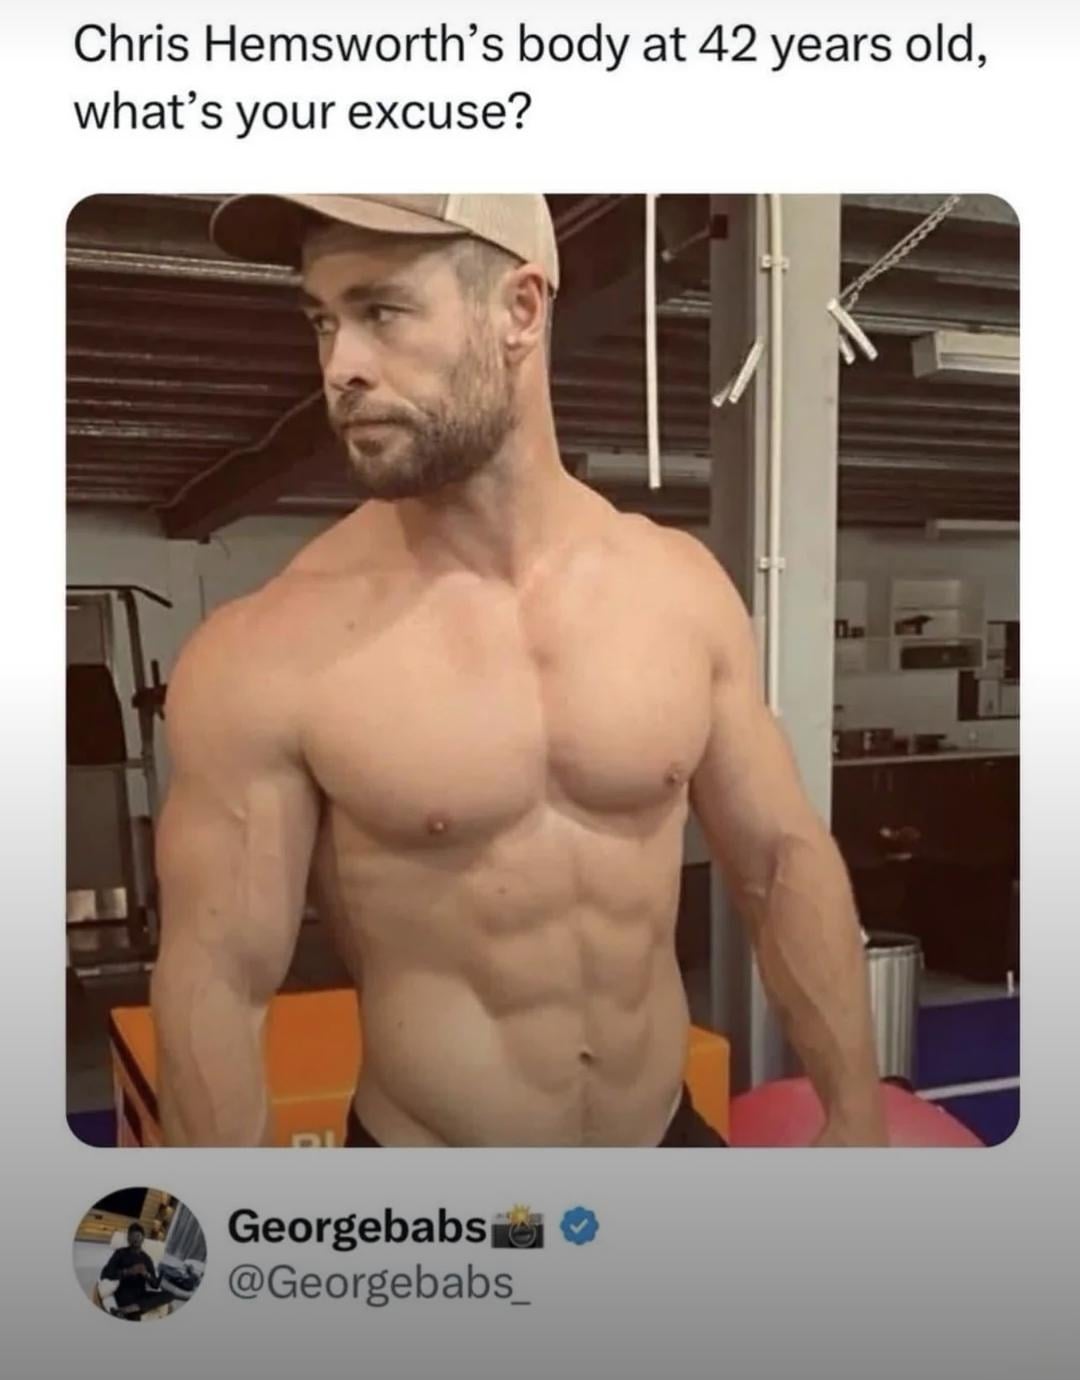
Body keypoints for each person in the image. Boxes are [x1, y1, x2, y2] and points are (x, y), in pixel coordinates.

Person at [150, 194, 887, 1148]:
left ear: (521, 311)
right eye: (324, 321)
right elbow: (216, 980)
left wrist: (856, 1113)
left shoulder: (678, 589)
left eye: (381, 311)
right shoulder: (269, 650)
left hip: (663, 1143)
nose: (340, 366)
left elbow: (780, 860)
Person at [98, 1223, 169, 1319]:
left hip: (142, 1295)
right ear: (128, 1238)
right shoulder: (120, 1253)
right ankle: (131, 1311)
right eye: (132, 1236)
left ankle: (126, 1310)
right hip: (124, 1294)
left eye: (138, 1236)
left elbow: (155, 1285)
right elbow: (106, 1273)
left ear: (143, 1238)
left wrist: (146, 1274)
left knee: (169, 1295)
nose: (135, 1239)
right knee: (135, 1317)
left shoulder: (147, 1259)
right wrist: (128, 1271)